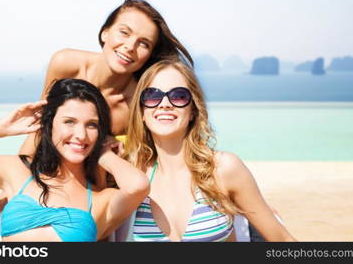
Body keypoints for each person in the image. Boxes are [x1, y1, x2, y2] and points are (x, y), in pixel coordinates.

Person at [0, 0, 193, 225]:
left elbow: (156, 152)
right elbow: (39, 131)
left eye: (144, 43)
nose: (130, 47)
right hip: (54, 181)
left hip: (103, 194)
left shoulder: (138, 99)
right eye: (124, 33)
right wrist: (6, 196)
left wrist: (122, 149)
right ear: (105, 32)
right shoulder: (66, 63)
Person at [0, 79, 149, 241]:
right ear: (49, 126)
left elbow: (138, 185)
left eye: (92, 125)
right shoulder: (17, 171)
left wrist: (103, 153)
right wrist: (2, 128)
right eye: (69, 121)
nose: (81, 134)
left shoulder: (101, 200)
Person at [122, 58, 296, 241]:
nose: (165, 103)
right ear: (141, 111)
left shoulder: (222, 168)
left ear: (193, 111)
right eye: (153, 95)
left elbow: (282, 239)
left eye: (179, 96)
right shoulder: (132, 176)